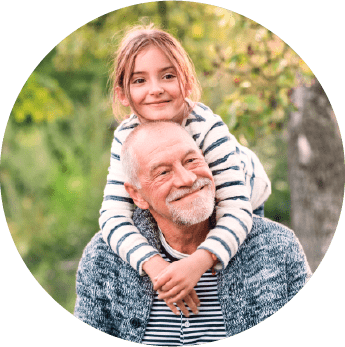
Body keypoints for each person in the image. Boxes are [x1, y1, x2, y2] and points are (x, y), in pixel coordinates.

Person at [75, 121, 311, 345]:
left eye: (191, 160)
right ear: (137, 195)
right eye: (163, 173)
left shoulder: (277, 246)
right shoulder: (102, 259)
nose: (187, 179)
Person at [99, 24, 271, 310]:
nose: (155, 90)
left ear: (187, 83)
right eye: (139, 81)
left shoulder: (206, 127)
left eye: (168, 76)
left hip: (242, 198)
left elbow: (236, 209)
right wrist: (156, 267)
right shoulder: (126, 138)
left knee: (234, 276)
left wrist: (197, 264)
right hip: (180, 209)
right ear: (122, 94)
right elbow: (113, 217)